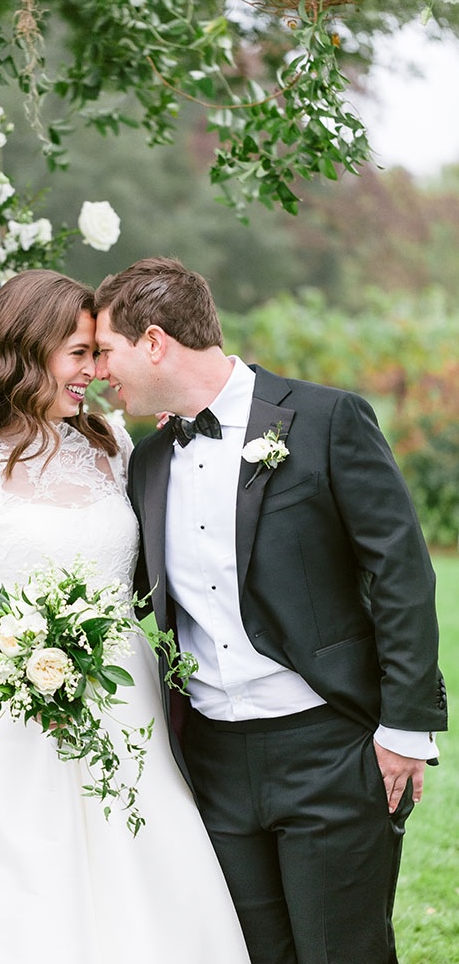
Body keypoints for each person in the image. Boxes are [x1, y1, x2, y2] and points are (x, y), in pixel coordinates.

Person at [0, 269, 250, 964]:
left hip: (128, 705)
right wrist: (23, 677)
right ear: (26, 349)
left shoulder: (111, 444)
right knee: (25, 899)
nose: (96, 372)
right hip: (25, 722)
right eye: (79, 354)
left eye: (98, 353)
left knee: (148, 880)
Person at [93, 256, 448, 964]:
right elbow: (132, 590)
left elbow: (401, 572)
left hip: (328, 748)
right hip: (212, 760)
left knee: (342, 952)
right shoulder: (149, 460)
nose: (101, 370)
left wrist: (406, 726)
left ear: (155, 341)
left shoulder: (325, 420)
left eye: (105, 350)